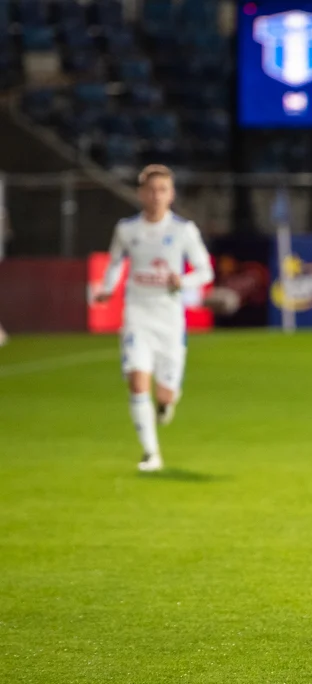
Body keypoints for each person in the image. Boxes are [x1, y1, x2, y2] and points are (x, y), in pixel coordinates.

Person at [94, 165, 213, 472]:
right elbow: (115, 263)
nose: (156, 195)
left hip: (170, 320)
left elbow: (205, 271)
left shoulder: (183, 231)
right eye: (151, 190)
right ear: (141, 193)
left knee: (164, 393)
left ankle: (166, 402)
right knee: (137, 380)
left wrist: (182, 281)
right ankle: (151, 454)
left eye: (162, 190)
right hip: (138, 314)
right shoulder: (127, 229)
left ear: (171, 194)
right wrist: (107, 289)